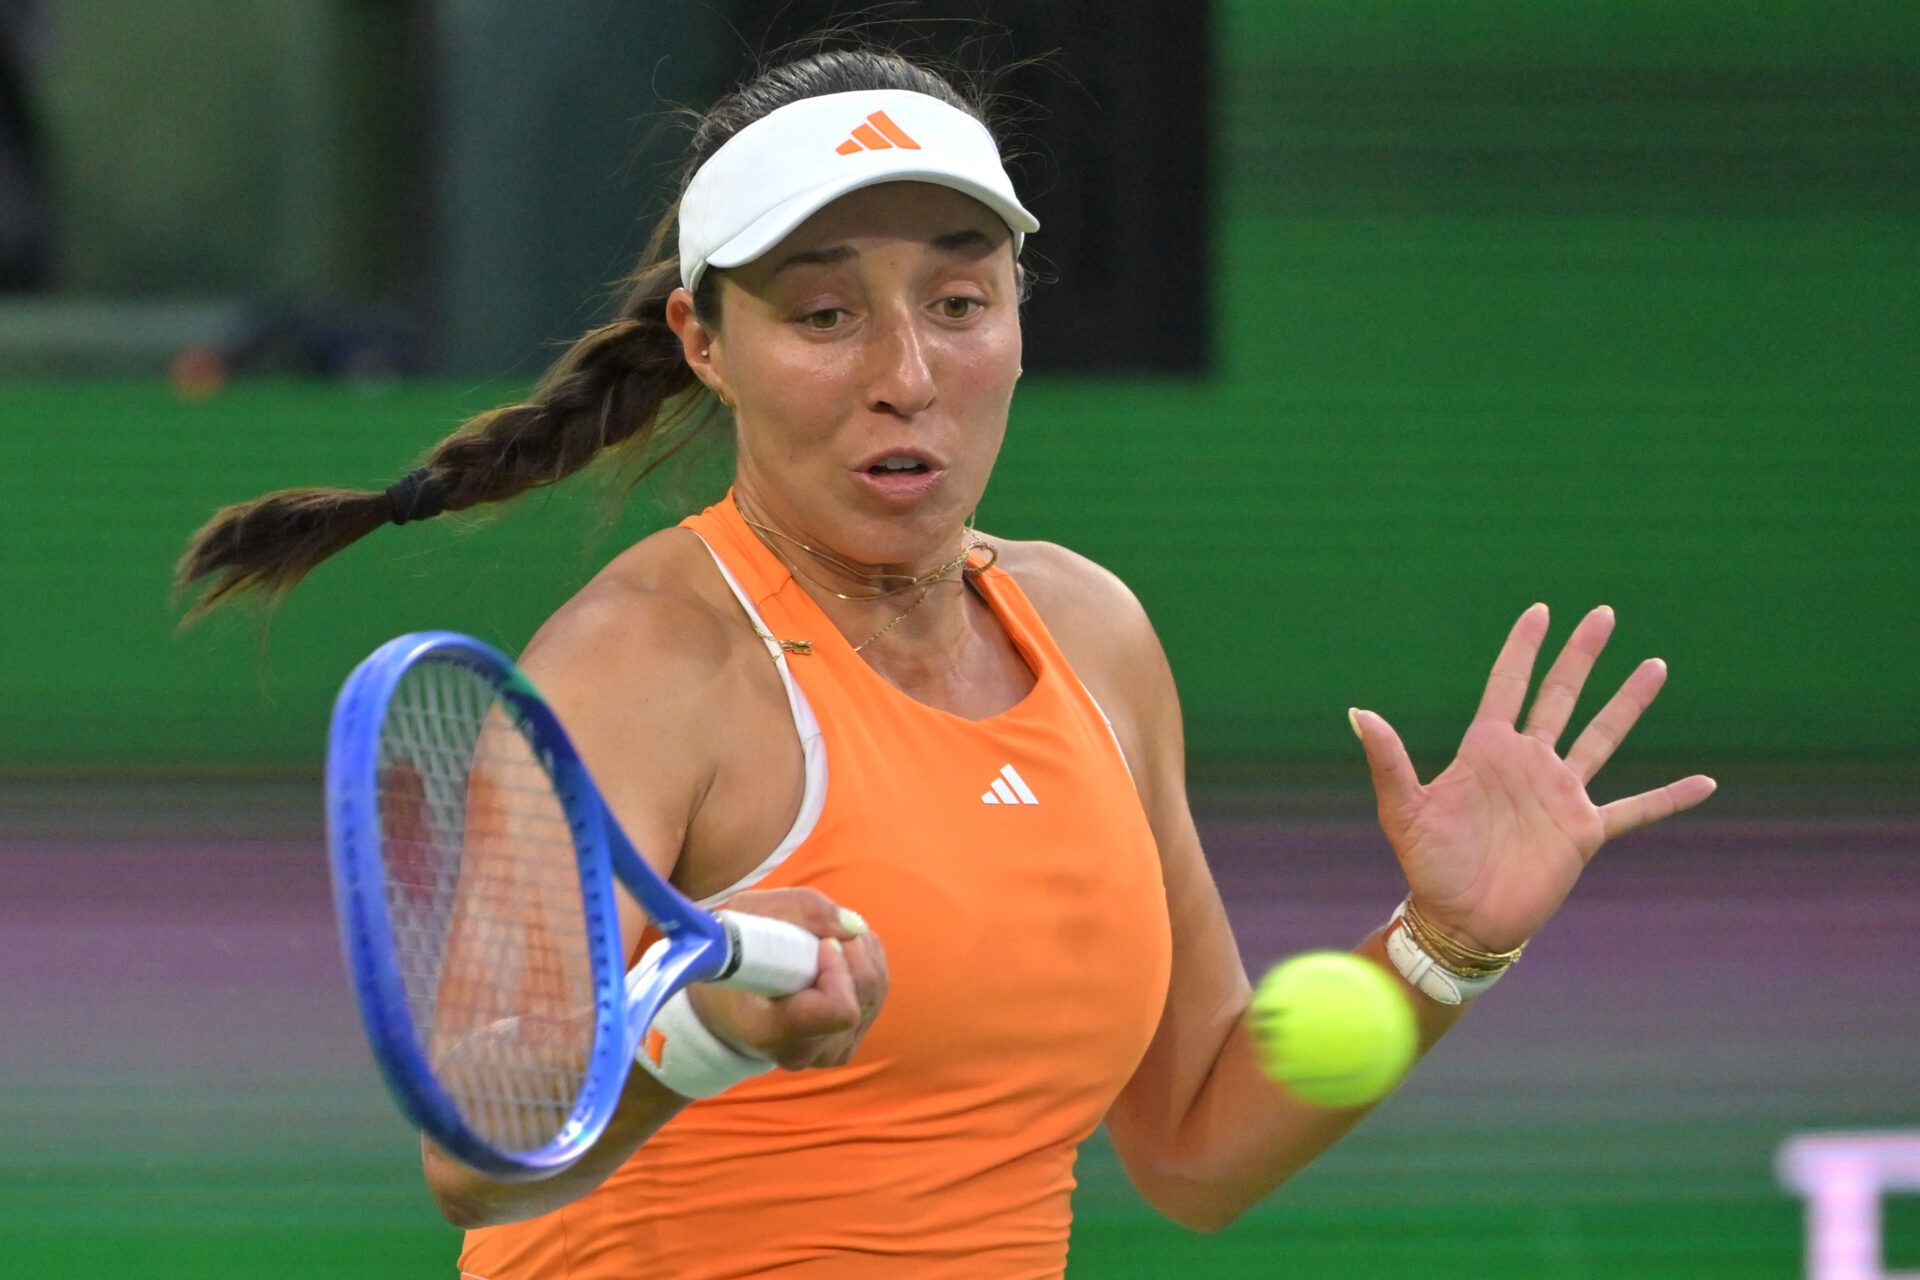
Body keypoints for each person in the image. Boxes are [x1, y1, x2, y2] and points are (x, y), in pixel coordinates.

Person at [176, 44, 1715, 1280]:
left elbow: (1193, 1143)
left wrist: (1443, 949)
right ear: (705, 342)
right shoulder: (642, 661)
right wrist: (701, 1035)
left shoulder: (1094, 634)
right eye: (823, 314)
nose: (906, 375)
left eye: (959, 304)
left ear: (1018, 318)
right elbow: (478, 1150)